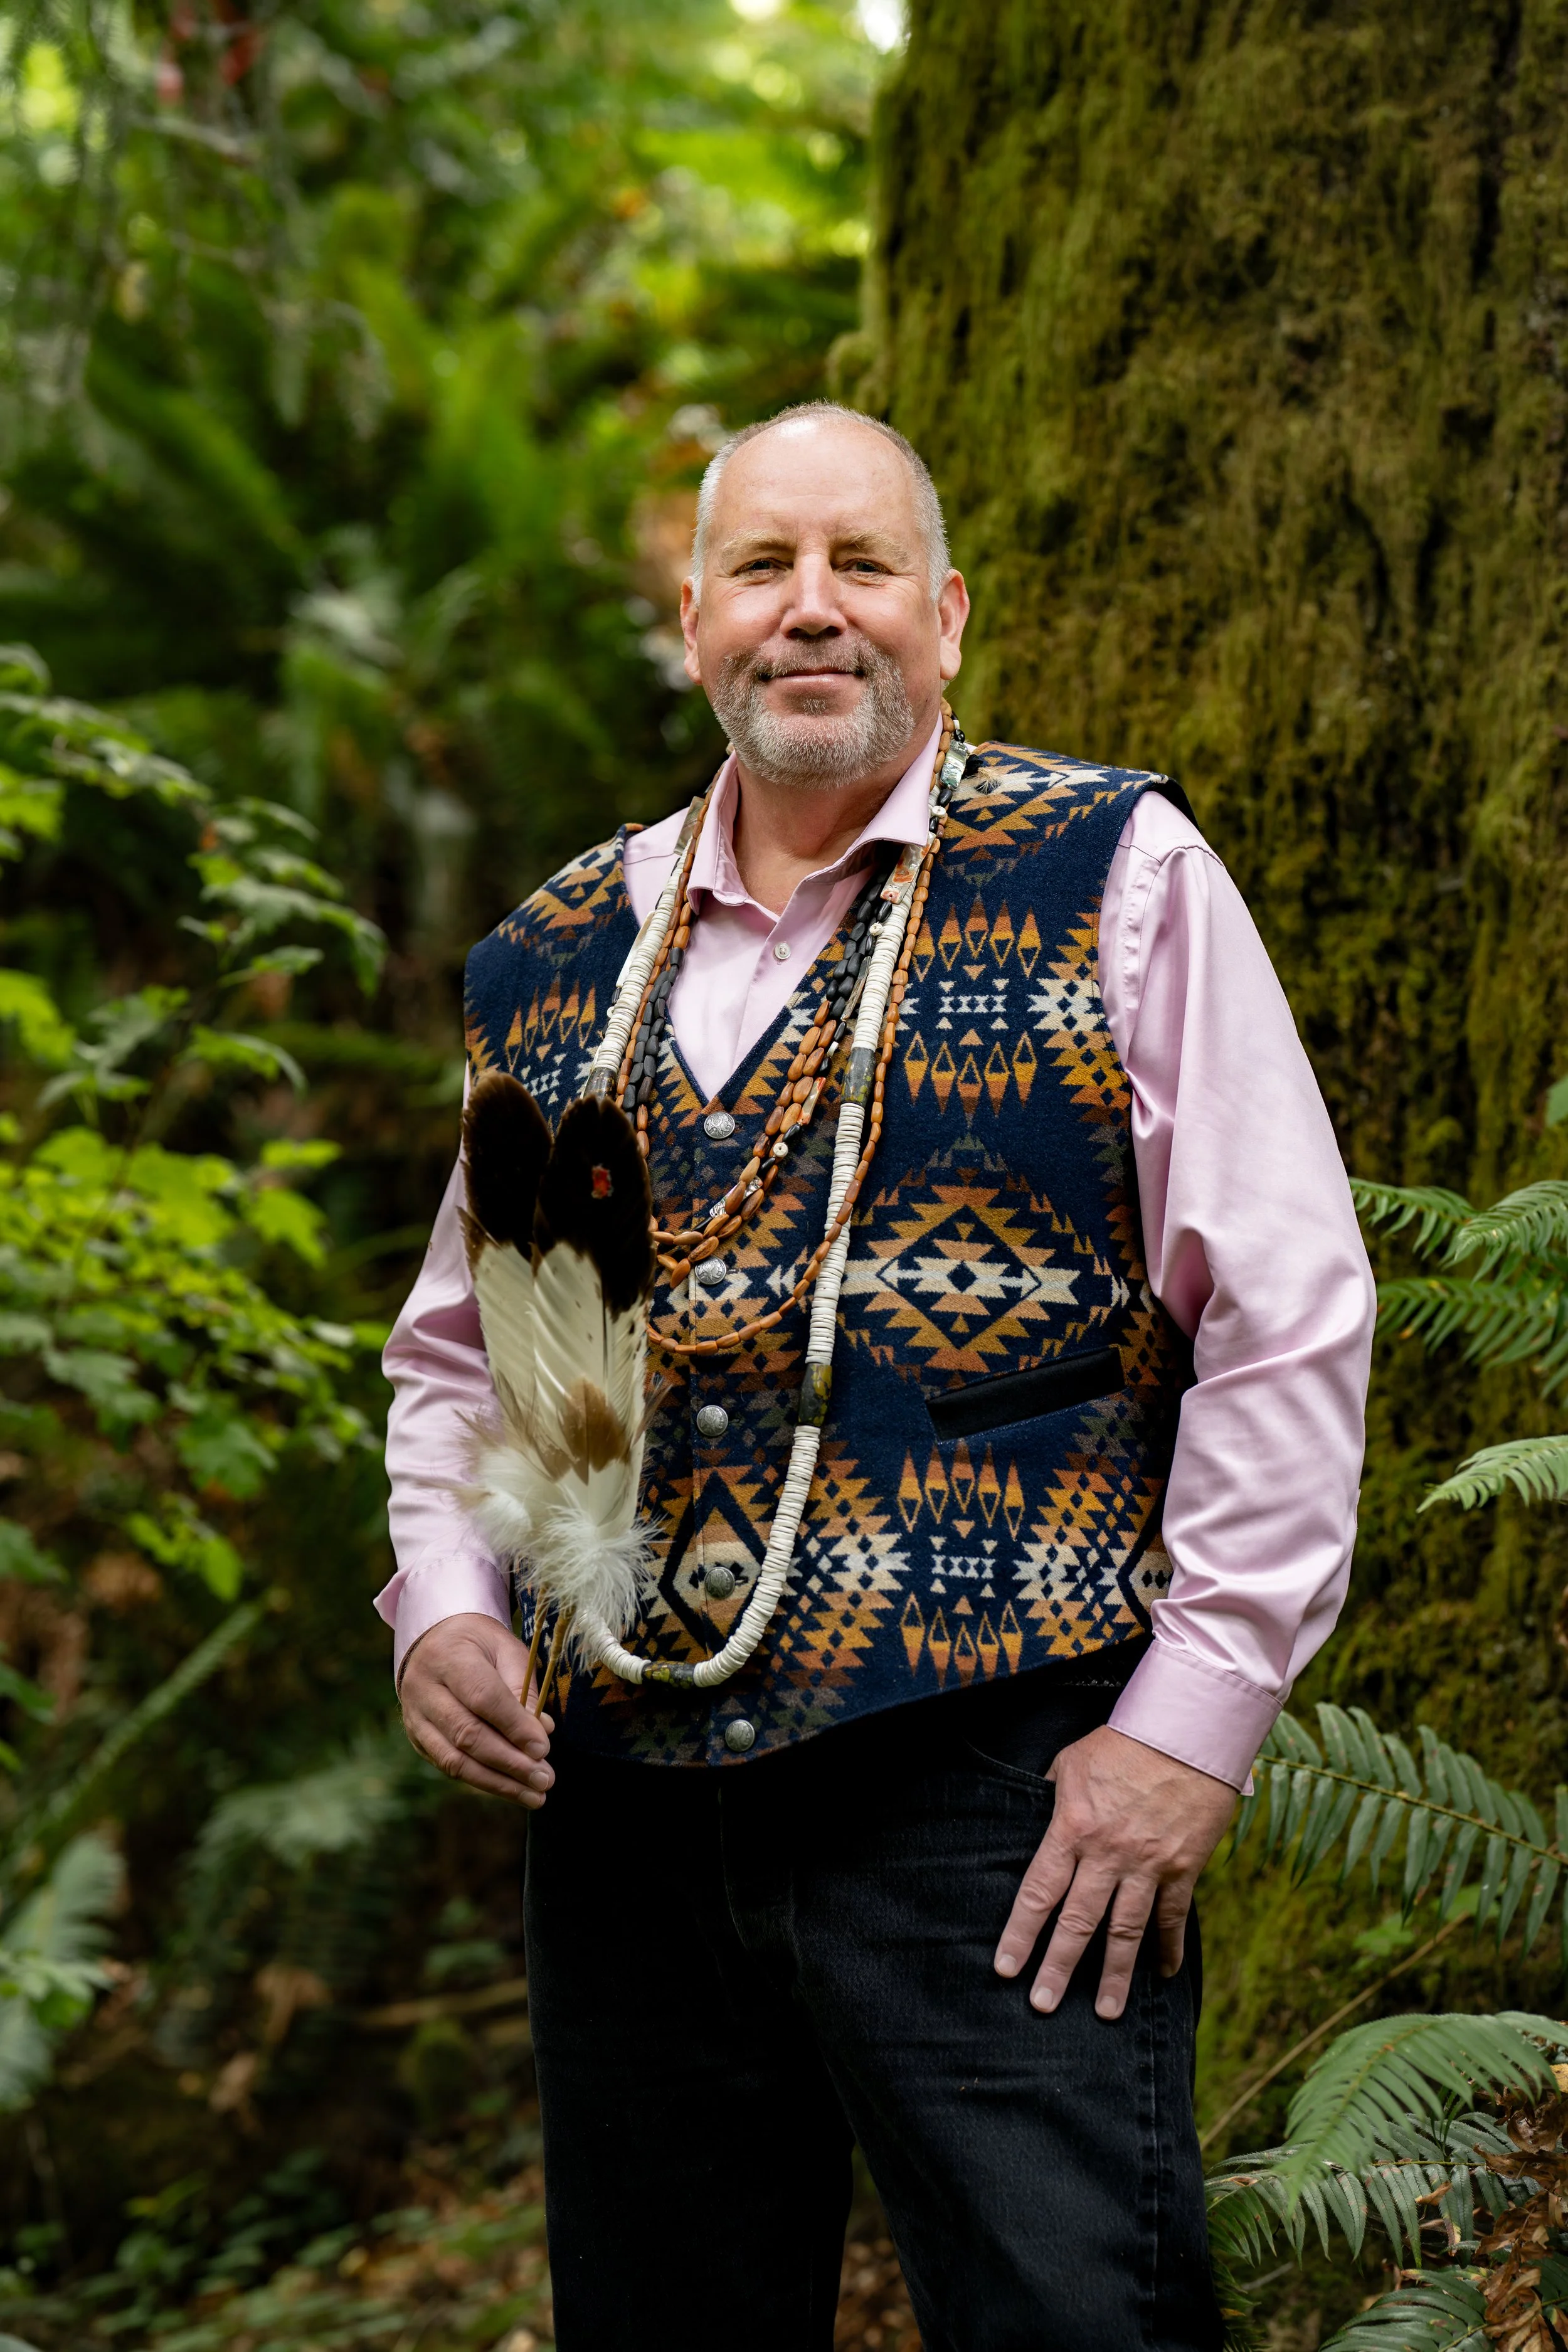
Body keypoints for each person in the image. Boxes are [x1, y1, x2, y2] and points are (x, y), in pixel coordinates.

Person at [378, 402, 1375, 2352]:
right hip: (625, 1808)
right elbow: (476, 1357)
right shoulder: (562, 954)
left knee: (1072, 2324)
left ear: (947, 613)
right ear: (693, 622)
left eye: (860, 566)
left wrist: (1192, 1719)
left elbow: (1286, 1306)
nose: (809, 610)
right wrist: (444, 1602)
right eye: (762, 567)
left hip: (994, 1788)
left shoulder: (1113, 870)